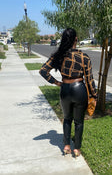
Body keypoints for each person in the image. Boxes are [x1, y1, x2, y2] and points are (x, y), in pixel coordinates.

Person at [39, 28, 97, 157]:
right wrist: (94, 94)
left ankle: (66, 146)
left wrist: (58, 83)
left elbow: (43, 71)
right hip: (79, 90)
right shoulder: (84, 57)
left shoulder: (58, 55)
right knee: (79, 122)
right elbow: (89, 80)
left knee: (67, 119)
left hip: (65, 89)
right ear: (76, 39)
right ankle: (76, 149)